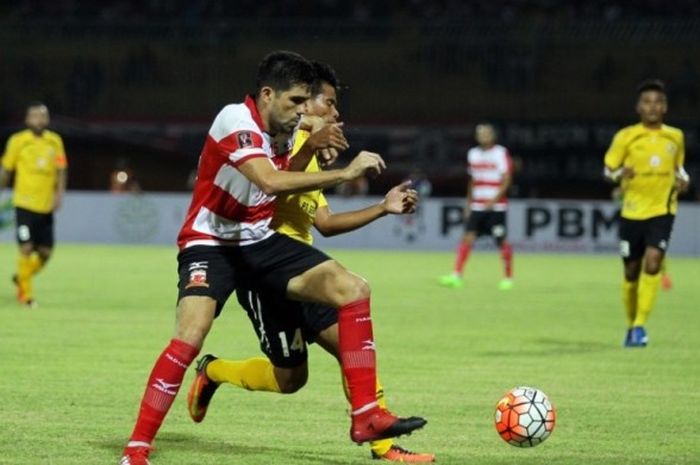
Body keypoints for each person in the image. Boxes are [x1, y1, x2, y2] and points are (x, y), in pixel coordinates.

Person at [119, 51, 426, 465]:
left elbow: (288, 177)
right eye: (297, 102)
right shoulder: (235, 121)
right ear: (267, 94)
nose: (303, 112)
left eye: (306, 102)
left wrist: (313, 140)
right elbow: (269, 179)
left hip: (259, 240)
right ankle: (137, 449)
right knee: (191, 334)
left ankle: (368, 419)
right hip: (210, 241)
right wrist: (345, 172)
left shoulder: (287, 126)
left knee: (354, 290)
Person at [604, 79, 689, 348]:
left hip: (662, 209)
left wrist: (684, 181)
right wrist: (620, 174)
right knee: (631, 271)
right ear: (638, 107)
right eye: (647, 102)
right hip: (632, 211)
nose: (653, 107)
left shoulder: (675, 137)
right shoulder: (626, 136)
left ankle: (640, 325)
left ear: (665, 107)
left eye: (658, 102)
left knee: (653, 261)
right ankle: (631, 324)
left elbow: (680, 169)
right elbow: (608, 171)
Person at [0, 102, 67, 308]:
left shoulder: (54, 141)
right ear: (27, 120)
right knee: (26, 248)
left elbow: (61, 170)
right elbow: (6, 170)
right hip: (24, 205)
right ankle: (26, 296)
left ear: (47, 119)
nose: (39, 120)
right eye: (35, 116)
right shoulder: (18, 141)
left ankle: (22, 276)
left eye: (42, 116)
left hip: (45, 206)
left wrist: (59, 194)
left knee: (46, 253)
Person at [439, 123, 514, 290]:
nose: (482, 136)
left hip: (496, 207)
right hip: (478, 205)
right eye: (480, 133)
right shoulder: (473, 154)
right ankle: (456, 276)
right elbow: (472, 181)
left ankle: (508, 278)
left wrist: (494, 199)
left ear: (493, 135)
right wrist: (468, 203)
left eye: (486, 133)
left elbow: (507, 178)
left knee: (501, 241)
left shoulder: (500, 153)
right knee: (467, 237)